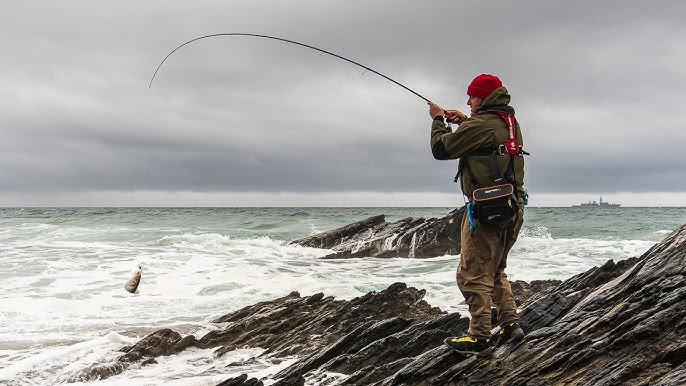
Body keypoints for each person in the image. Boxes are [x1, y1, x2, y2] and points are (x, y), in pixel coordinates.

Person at [428, 73, 526, 356]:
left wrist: (437, 119)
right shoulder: (508, 122)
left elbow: (440, 149)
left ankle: (480, 336)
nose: (468, 101)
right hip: (513, 206)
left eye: (471, 96)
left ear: (483, 98)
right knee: (495, 269)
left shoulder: (482, 124)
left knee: (471, 274)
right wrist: (466, 121)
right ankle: (510, 324)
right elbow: (484, 138)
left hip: (486, 212)